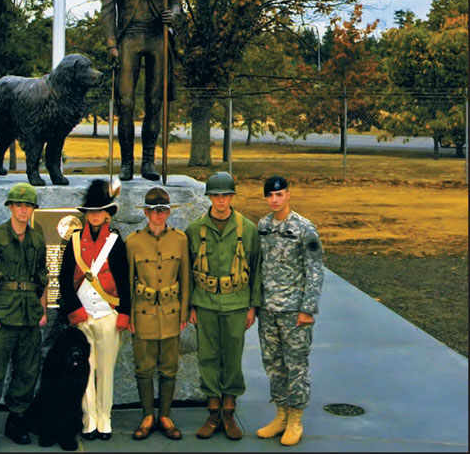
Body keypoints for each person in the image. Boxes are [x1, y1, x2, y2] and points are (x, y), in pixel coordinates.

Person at [99, 0, 181, 182]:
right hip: (129, 38)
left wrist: (174, 14)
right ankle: (125, 164)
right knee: (126, 103)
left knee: (154, 103)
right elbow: (108, 8)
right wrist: (111, 44)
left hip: (157, 37)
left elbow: (177, 3)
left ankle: (148, 161)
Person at [0, 182, 48, 450]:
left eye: (28, 206)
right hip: (1, 316)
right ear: (11, 207)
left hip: (28, 316)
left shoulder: (37, 239)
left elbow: (42, 278)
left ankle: (16, 420)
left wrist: (42, 309)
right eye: (19, 205)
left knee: (27, 372)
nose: (23, 210)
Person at [185, 171, 262, 440]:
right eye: (216, 196)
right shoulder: (195, 230)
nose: (220, 201)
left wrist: (253, 307)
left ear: (232, 197)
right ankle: (213, 409)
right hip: (205, 302)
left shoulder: (248, 230)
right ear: (209, 198)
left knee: (232, 356)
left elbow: (256, 271)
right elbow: (188, 270)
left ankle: (229, 408)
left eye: (225, 195)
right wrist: (190, 307)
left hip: (236, 303)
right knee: (207, 356)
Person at [58, 178, 131, 441]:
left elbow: (124, 279)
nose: (96, 216)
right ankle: (89, 418)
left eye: (101, 211)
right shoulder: (75, 240)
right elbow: (64, 279)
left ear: (107, 214)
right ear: (86, 215)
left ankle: (105, 417)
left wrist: (124, 313)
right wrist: (74, 310)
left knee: (106, 370)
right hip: (83, 316)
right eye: (91, 211)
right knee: (85, 370)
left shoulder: (115, 241)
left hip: (108, 314)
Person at [256, 175, 324, 446]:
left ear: (288, 195)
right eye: (271, 196)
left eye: (280, 194)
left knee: (295, 366)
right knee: (273, 364)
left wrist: (307, 309)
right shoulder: (262, 226)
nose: (275, 200)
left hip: (294, 311)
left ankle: (295, 420)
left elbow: (315, 270)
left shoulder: (304, 228)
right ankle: (280, 416)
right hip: (268, 310)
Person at [126, 187, 191, 441]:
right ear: (145, 212)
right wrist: (129, 316)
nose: (158, 215)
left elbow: (185, 278)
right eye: (153, 210)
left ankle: (164, 415)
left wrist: (184, 311)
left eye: (163, 210)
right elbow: (129, 282)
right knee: (144, 367)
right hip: (142, 313)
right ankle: (147, 415)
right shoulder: (133, 242)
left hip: (171, 311)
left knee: (169, 367)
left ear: (168, 212)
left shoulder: (180, 240)